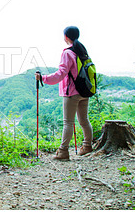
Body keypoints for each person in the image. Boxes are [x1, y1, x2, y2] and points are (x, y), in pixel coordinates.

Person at [35, 26, 93, 160]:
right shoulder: (82, 51)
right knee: (84, 120)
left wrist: (43, 78)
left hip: (72, 93)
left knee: (68, 122)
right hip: (85, 91)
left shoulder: (68, 53)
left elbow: (61, 74)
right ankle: (87, 146)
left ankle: (63, 151)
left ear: (66, 37)